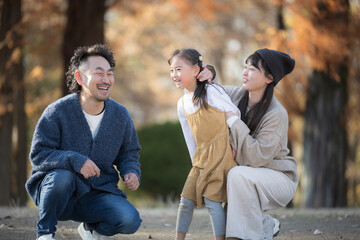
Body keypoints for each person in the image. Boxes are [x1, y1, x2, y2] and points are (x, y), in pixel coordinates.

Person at [25, 44, 142, 240]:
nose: (106, 80)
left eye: (109, 74)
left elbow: (128, 152)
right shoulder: (57, 112)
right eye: (99, 73)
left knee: (130, 220)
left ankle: (90, 229)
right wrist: (75, 160)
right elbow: (39, 154)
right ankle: (45, 233)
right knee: (63, 177)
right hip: (59, 194)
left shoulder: (120, 115)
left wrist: (131, 171)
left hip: (97, 193)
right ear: (79, 78)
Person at [204, 48, 298, 240]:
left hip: (278, 178)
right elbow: (212, 90)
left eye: (253, 69)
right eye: (245, 67)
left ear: (269, 78)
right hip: (248, 176)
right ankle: (265, 225)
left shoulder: (276, 114)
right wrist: (209, 73)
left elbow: (256, 158)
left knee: (237, 174)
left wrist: (233, 121)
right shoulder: (237, 95)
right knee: (233, 178)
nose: (245, 72)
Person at [168, 48, 240, 240]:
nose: (174, 75)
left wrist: (235, 144)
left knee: (213, 201)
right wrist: (195, 164)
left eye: (179, 69)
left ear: (195, 70)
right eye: (171, 70)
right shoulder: (181, 103)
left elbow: (234, 114)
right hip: (201, 159)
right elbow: (189, 137)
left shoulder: (211, 91)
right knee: (186, 201)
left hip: (221, 154)